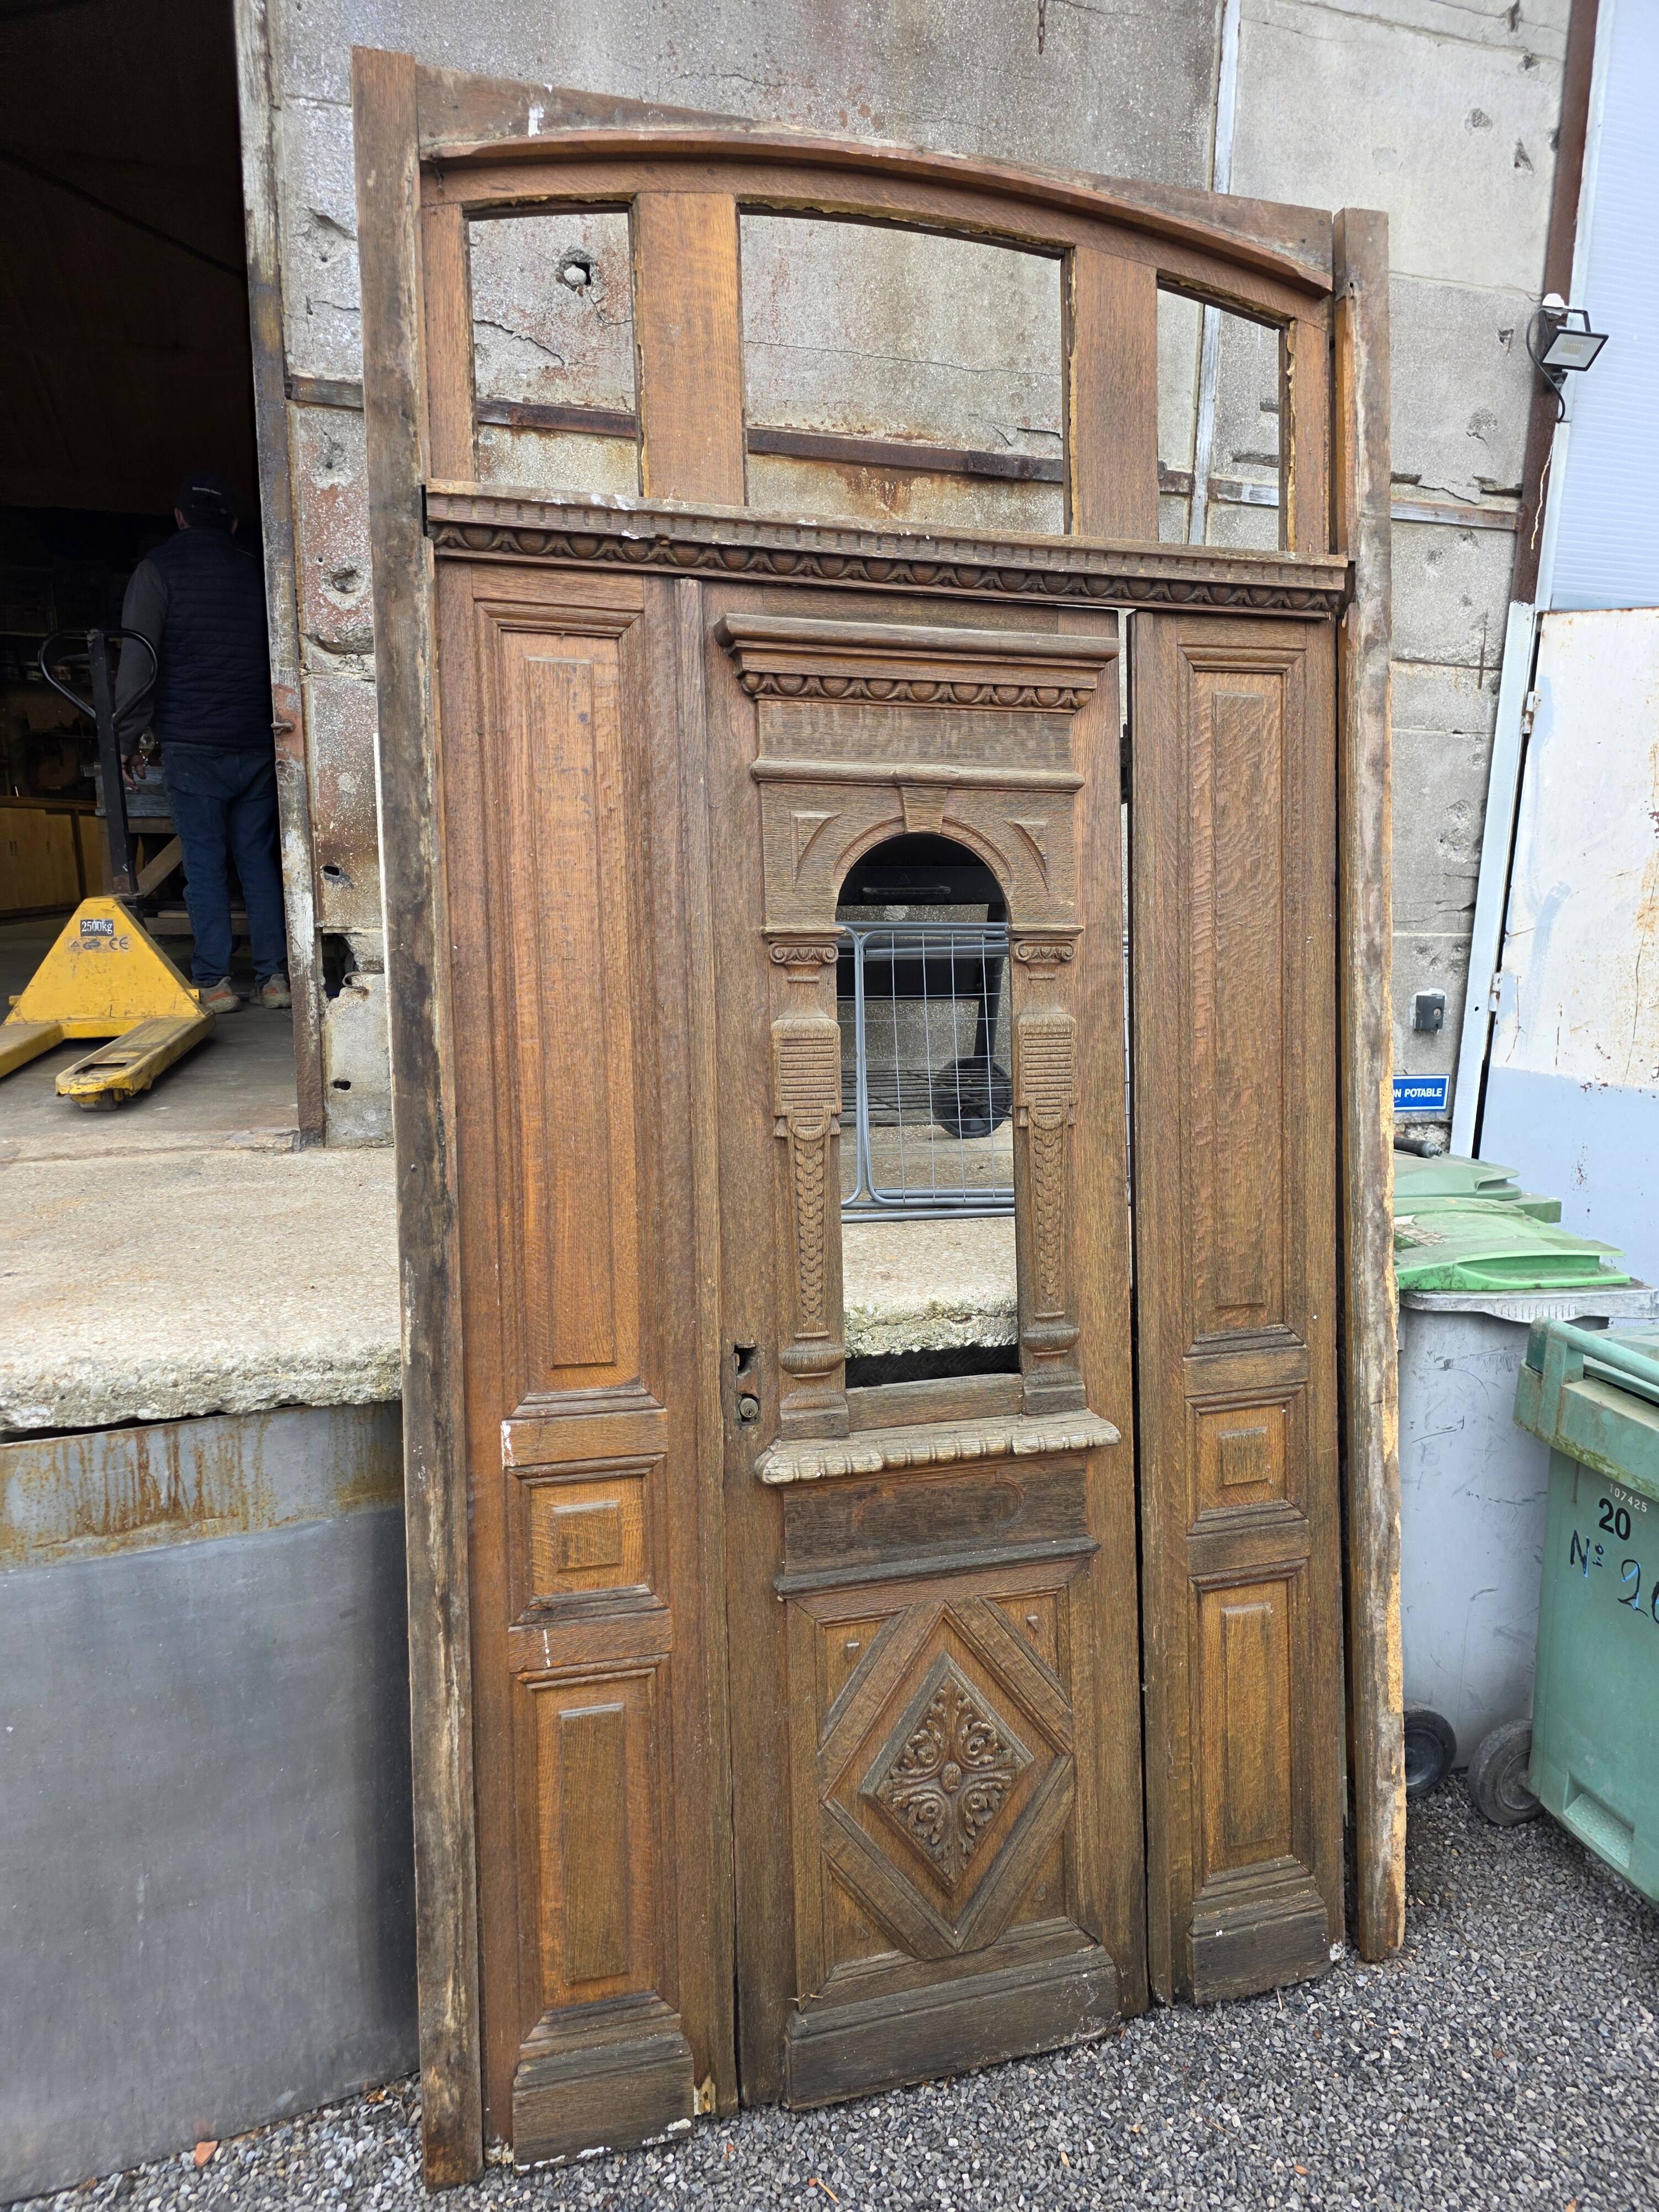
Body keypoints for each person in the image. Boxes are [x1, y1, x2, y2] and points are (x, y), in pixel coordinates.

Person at [113, 470, 290, 1013]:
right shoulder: (260, 575)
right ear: (233, 524)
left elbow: (140, 667)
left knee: (206, 865)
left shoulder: (157, 571)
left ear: (180, 518)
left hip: (192, 745)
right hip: (259, 742)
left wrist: (127, 742)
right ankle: (275, 978)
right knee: (259, 863)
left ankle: (215, 982)